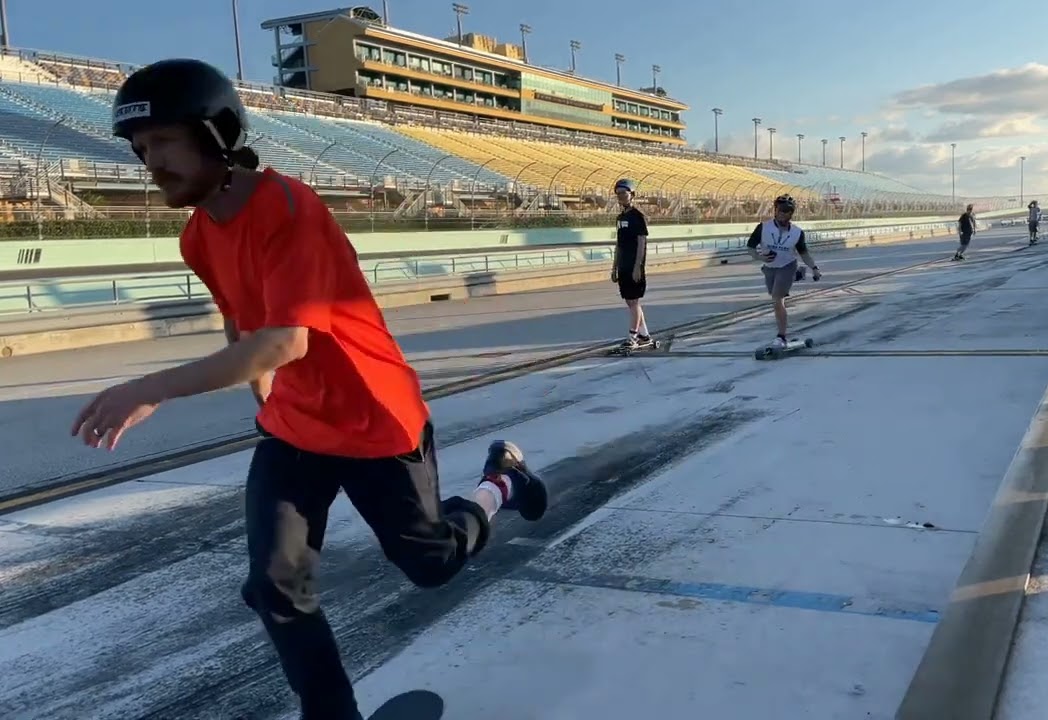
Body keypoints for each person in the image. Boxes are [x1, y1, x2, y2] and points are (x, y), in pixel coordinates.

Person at [75, 58, 549, 720]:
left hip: (374, 420)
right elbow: (243, 328)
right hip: (295, 430)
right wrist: (265, 397)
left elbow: (285, 341)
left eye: (163, 143)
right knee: (275, 586)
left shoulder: (289, 208)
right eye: (139, 148)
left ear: (216, 134)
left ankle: (501, 483)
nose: (150, 162)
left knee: (432, 564)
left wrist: (154, 387)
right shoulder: (197, 237)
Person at [747, 194, 821, 349]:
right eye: (780, 210)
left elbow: (804, 253)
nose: (783, 213)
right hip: (770, 268)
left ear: (791, 213)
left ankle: (781, 336)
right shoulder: (763, 227)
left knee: (777, 300)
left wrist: (814, 268)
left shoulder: (797, 232)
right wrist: (760, 257)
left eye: (786, 211)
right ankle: (797, 275)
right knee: (775, 298)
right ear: (775, 210)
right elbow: (750, 247)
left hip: (787, 265)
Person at [610, 177, 653, 349]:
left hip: (634, 265)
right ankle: (644, 335)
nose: (621, 196)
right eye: (618, 193)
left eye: (624, 193)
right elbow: (619, 244)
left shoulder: (637, 216)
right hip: (623, 265)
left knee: (633, 301)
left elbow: (642, 243)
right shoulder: (620, 218)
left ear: (632, 194)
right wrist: (614, 267)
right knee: (630, 302)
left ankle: (633, 336)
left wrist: (637, 267)